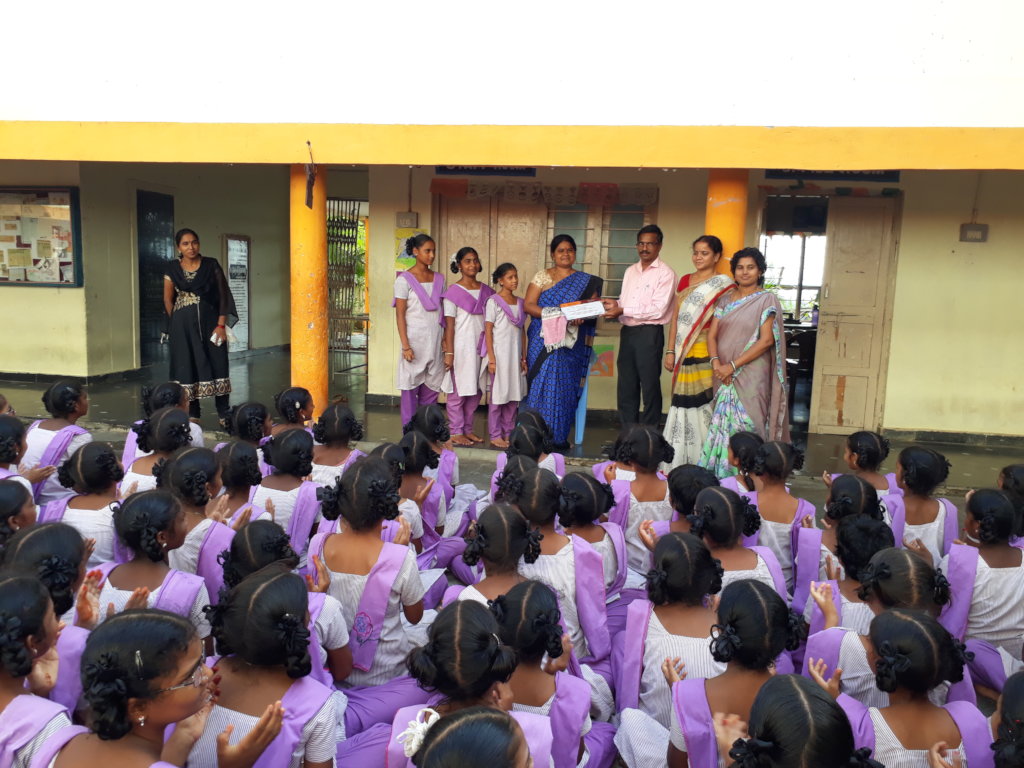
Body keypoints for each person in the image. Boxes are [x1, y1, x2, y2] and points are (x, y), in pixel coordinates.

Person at [699, 247, 790, 476]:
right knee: (722, 425)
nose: (745, 272)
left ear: (759, 271)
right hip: (722, 372)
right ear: (734, 271)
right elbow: (712, 335)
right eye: (740, 267)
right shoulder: (724, 300)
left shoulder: (766, 299)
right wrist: (717, 364)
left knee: (751, 421)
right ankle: (721, 475)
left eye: (750, 267)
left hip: (751, 373)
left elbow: (766, 340)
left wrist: (732, 366)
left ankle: (753, 477)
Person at [521, 234, 602, 449]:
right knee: (540, 384)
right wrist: (556, 315)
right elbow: (529, 305)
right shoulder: (542, 277)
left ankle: (557, 438)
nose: (565, 254)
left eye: (570, 250)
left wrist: (581, 316)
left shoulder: (586, 281)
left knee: (563, 388)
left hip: (570, 345)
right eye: (561, 250)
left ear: (575, 253)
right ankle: (535, 437)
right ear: (553, 254)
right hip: (542, 341)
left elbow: (592, 308)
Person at [661, 236, 735, 468]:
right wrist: (670, 350)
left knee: (705, 399)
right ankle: (680, 455)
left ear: (716, 256)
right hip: (684, 348)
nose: (698, 257)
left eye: (704, 253)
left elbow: (724, 321)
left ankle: (706, 455)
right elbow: (675, 318)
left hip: (708, 348)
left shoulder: (724, 284)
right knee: (682, 400)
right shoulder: (684, 281)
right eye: (695, 252)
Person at [601, 225, 678, 428]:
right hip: (628, 332)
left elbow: (658, 310)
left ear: (659, 245)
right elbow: (625, 301)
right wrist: (615, 305)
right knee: (626, 386)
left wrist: (623, 309)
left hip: (649, 334)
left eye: (650, 243)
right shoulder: (630, 271)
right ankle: (628, 436)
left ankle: (650, 436)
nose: (644, 248)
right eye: (641, 243)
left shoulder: (666, 273)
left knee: (650, 386)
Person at [162, 228, 237, 425]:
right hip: (182, 328)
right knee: (187, 365)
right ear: (178, 247)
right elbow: (167, 299)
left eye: (194, 242)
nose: (191, 247)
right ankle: (193, 413)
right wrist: (177, 321)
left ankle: (223, 412)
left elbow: (223, 296)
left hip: (211, 325)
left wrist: (221, 324)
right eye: (185, 244)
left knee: (218, 362)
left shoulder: (211, 265)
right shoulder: (172, 268)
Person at [442, 247, 493, 446]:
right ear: (459, 265)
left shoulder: (487, 292)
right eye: (467, 261)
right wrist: (449, 352)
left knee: (476, 389)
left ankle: (468, 430)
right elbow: (449, 326)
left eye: (475, 260)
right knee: (458, 391)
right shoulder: (452, 294)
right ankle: (455, 431)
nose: (472, 264)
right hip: (461, 347)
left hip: (481, 347)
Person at [394, 234, 445, 425]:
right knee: (409, 392)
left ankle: (427, 434)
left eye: (433, 251)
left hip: (434, 343)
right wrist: (405, 346)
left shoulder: (439, 279)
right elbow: (400, 314)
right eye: (427, 251)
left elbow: (443, 312)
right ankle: (409, 435)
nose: (431, 255)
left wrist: (444, 341)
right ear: (415, 252)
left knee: (431, 393)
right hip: (414, 343)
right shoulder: (404, 280)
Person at [21, 380, 92, 504]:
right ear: (75, 405)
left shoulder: (35, 426)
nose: (88, 401)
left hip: (29, 496)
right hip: (59, 503)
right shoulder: (79, 437)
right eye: (85, 398)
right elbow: (87, 476)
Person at [485, 262, 527, 449]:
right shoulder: (493, 301)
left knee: (512, 396)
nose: (514, 280)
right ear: (500, 280)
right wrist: (492, 359)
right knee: (497, 397)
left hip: (514, 357)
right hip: (500, 357)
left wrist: (523, 357)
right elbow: (488, 331)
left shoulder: (520, 303)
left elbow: (522, 332)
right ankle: (495, 434)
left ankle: (509, 432)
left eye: (516, 276)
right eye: (510, 277)